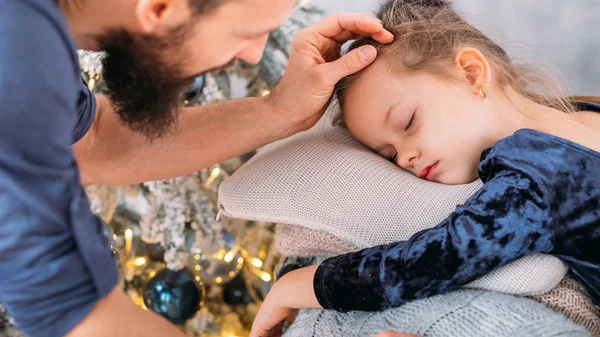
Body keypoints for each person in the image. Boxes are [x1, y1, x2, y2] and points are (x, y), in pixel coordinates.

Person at [0, 0, 400, 336]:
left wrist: (281, 110)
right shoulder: (17, 62)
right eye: (246, 33)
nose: (254, 54)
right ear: (160, 8)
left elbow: (88, 143)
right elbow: (76, 316)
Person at [249, 0, 600, 336]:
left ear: (471, 72)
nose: (404, 159)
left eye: (408, 123)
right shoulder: (583, 115)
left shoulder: (537, 179)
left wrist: (294, 285)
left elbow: (429, 263)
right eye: (388, 155)